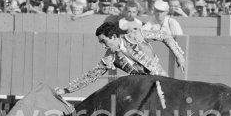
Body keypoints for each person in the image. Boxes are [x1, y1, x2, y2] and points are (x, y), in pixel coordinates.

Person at [55, 21, 185, 95]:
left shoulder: (136, 36)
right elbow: (91, 76)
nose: (103, 46)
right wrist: (66, 89)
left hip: (161, 78)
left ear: (113, 37)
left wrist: (179, 55)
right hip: (142, 88)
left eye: (104, 42)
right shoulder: (110, 57)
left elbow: (164, 36)